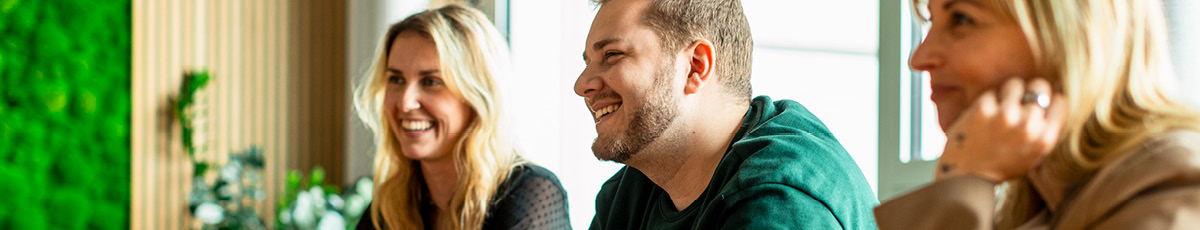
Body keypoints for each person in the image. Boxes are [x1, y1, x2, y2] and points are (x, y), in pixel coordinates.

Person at [875, 0, 1200, 229]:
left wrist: (959, 186)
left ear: (1069, 32)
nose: (919, 58)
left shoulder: (1175, 192)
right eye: (931, 21)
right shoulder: (1033, 207)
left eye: (961, 19)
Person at [576, 0, 878, 229]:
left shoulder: (779, 201)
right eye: (588, 62)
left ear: (695, 67)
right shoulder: (630, 195)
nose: (581, 85)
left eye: (612, 55)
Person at [353, 4, 570, 230]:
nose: (405, 103)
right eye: (396, 80)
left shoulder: (532, 195)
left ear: (477, 96)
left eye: (431, 82)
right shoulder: (389, 207)